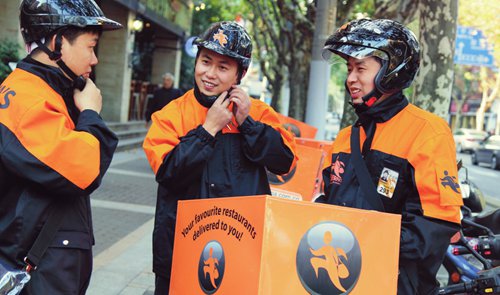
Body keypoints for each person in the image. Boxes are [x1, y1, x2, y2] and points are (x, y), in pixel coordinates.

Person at [143, 21, 298, 294]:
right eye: (205, 61)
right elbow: (169, 174)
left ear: (240, 74)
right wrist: (208, 129)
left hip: (242, 252)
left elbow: (285, 161)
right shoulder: (170, 114)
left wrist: (248, 124)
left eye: (223, 67)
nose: (210, 74)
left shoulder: (258, 112)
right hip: (181, 251)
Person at [319, 19, 462, 294]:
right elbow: (329, 206)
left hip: (395, 285)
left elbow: (432, 231)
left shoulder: (428, 132)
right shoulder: (345, 137)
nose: (350, 78)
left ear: (391, 72)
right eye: (349, 69)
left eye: (360, 68)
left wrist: (356, 241)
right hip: (337, 281)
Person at [0, 0, 121, 294]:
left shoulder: (42, 89)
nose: (95, 59)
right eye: (91, 46)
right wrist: (91, 114)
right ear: (57, 41)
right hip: (38, 268)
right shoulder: (29, 98)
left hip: (43, 260)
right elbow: (84, 170)